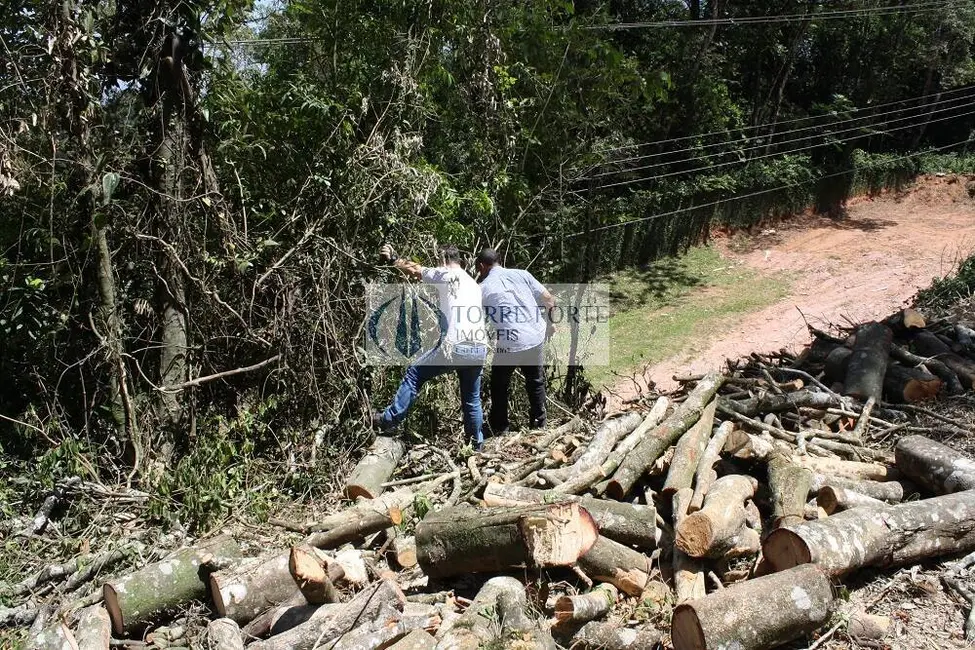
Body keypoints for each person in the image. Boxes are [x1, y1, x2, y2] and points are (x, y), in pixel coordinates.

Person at [372, 243, 488, 447]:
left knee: (415, 373)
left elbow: (415, 270)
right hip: (479, 348)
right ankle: (476, 446)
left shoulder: (445, 274)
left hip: (456, 345)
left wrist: (393, 260)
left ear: (443, 260)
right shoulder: (472, 283)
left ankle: (388, 420)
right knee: (472, 399)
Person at [475, 248, 555, 435]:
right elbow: (549, 299)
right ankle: (539, 424)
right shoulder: (522, 274)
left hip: (509, 343)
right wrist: (551, 325)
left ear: (481, 266)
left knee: (499, 385)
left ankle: (500, 427)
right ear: (499, 260)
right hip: (535, 336)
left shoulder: (482, 288)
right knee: (535, 381)